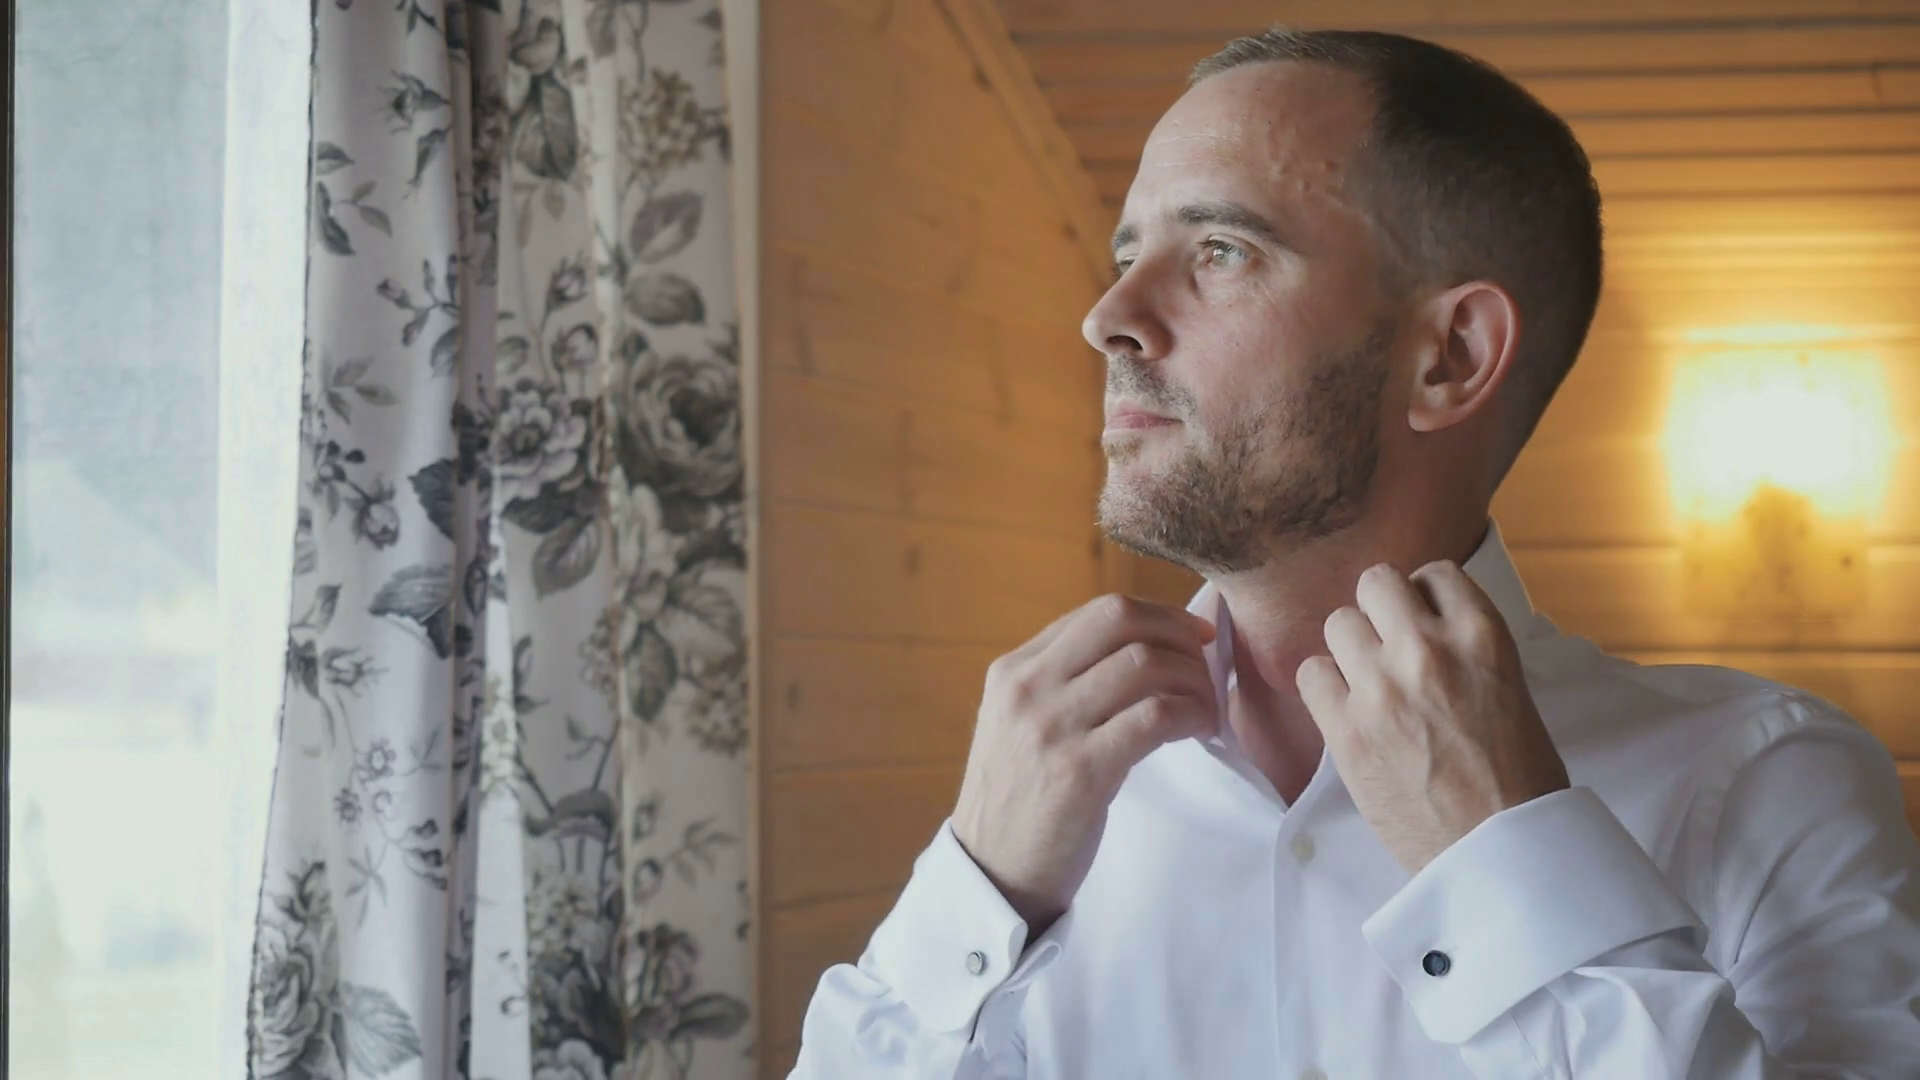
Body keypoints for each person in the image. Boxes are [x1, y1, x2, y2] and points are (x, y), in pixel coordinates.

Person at [788, 27, 1920, 1079]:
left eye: (1220, 250)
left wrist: (1507, 863)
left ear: (1450, 357)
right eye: (1129, 251)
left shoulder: (1766, 785)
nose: (1109, 315)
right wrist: (980, 888)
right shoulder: (1040, 800)